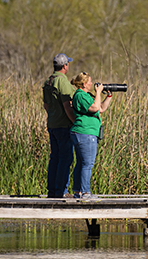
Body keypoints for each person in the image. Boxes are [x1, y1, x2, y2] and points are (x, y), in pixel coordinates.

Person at [70, 72, 114, 198]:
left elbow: (100, 108)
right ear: (84, 84)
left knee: (82, 163)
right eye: (89, 81)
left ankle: (78, 191)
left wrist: (109, 95)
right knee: (87, 163)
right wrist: (99, 92)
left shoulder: (85, 96)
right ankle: (85, 193)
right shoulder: (80, 95)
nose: (91, 83)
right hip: (85, 133)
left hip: (85, 133)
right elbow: (95, 108)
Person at [42, 53, 76, 198]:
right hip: (63, 126)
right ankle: (62, 191)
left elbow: (46, 105)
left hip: (53, 124)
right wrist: (75, 122)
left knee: (55, 157)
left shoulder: (48, 81)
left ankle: (52, 190)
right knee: (65, 158)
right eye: (68, 63)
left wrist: (54, 116)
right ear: (64, 66)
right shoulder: (62, 82)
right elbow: (68, 106)